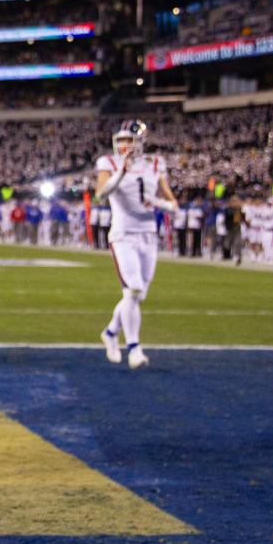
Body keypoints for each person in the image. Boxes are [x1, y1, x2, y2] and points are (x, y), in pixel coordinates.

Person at [94, 120, 178, 369]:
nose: (124, 145)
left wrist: (158, 203)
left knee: (139, 294)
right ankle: (134, 348)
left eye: (129, 140)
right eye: (121, 140)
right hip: (122, 235)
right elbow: (100, 193)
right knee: (133, 290)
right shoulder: (108, 163)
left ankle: (110, 332)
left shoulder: (155, 164)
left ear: (141, 142)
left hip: (148, 235)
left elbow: (172, 204)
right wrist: (122, 172)